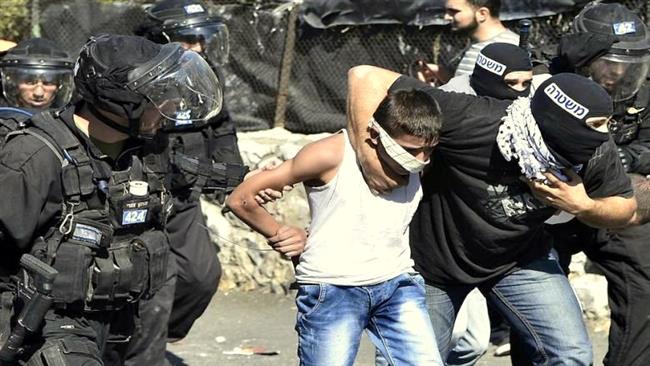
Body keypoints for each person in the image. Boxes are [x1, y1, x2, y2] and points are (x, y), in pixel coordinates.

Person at [347, 65, 637, 365]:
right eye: (596, 124)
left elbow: (625, 208)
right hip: (434, 264)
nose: (604, 134)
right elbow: (365, 77)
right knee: (412, 361)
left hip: (519, 258)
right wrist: (369, 160)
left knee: (570, 355)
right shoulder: (477, 119)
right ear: (562, 123)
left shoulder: (597, 149)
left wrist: (583, 205)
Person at [0, 33, 227, 365]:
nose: (169, 107)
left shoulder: (150, 151)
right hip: (54, 326)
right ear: (121, 102)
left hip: (132, 320)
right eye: (158, 97)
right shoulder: (34, 155)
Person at [227, 87, 443, 366]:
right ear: (377, 136)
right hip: (334, 290)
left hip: (397, 284)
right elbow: (241, 198)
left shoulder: (419, 161)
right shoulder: (331, 154)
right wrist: (281, 232)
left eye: (428, 151)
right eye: (412, 151)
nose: (421, 159)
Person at [114, 0, 247, 363]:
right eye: (190, 39)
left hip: (184, 194)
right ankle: (137, 347)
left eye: (202, 38)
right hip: (137, 197)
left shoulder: (204, 75)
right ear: (162, 38)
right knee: (149, 285)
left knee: (201, 275)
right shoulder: (132, 73)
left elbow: (221, 127)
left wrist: (229, 176)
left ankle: (144, 335)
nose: (200, 47)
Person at [546, 2, 650, 365]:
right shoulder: (544, 83)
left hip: (612, 200)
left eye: (629, 64)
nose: (618, 73)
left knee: (643, 277)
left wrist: (632, 159)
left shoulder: (640, 89)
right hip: (551, 200)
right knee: (537, 294)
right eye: (609, 63)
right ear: (582, 58)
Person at [416, 0, 518, 85]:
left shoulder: (511, 49)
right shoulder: (475, 45)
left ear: (482, 14)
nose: (446, 17)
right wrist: (442, 73)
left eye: (454, 11)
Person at [0, 38, 74, 110]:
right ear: (14, 81)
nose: (39, 93)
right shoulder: (3, 113)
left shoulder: (71, 117)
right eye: (30, 83)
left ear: (59, 85)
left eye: (48, 83)